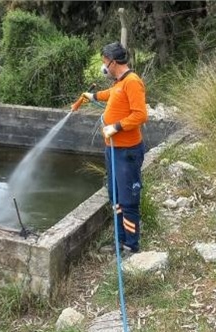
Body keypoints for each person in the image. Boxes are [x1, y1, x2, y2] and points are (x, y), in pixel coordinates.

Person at [82, 41, 148, 254]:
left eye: (104, 62)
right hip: (112, 150)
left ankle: (131, 246)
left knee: (128, 199)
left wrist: (116, 127)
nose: (104, 67)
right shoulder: (119, 82)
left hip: (127, 151)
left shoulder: (132, 82)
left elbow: (140, 115)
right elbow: (112, 95)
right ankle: (120, 242)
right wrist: (92, 96)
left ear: (113, 61)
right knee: (115, 196)